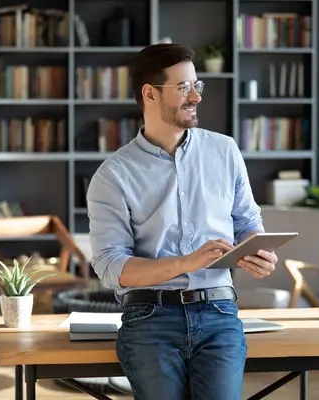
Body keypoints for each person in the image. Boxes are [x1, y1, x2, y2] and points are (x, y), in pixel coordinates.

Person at [87, 43, 278, 400]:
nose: (196, 97)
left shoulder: (224, 151)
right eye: (183, 87)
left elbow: (247, 220)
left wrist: (258, 247)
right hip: (149, 319)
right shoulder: (113, 175)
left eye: (197, 85)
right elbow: (111, 265)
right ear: (150, 94)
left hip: (219, 311)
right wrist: (186, 263)